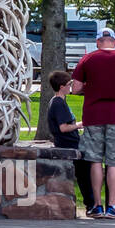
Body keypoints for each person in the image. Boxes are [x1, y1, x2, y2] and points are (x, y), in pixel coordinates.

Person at [71, 27, 115, 219]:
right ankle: (112, 206)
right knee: (114, 162)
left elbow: (76, 88)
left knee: (94, 160)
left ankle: (97, 205)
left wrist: (90, 85)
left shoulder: (88, 59)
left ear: (97, 42)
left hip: (93, 116)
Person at [46, 69, 94, 213]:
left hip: (72, 142)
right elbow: (63, 128)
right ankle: (90, 203)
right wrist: (79, 124)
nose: (70, 86)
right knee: (84, 173)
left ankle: (91, 202)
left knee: (87, 169)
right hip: (68, 143)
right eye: (69, 84)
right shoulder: (58, 103)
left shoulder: (59, 102)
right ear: (61, 87)